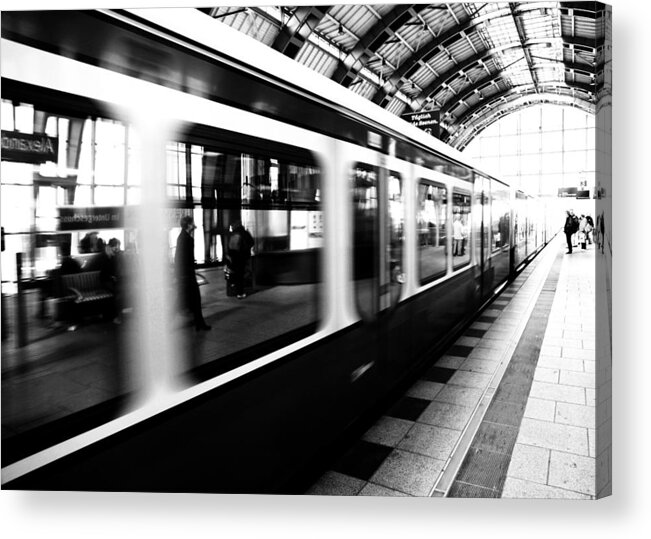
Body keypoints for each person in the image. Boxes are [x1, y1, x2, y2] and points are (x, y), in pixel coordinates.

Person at [175, 216, 211, 331]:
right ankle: (199, 324)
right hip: (187, 275)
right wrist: (187, 272)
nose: (194, 224)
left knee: (189, 300)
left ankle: (199, 324)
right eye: (192, 223)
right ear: (189, 224)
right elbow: (184, 258)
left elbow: (179, 258)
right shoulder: (187, 239)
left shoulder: (182, 237)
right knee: (192, 300)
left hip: (184, 275)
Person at [85, 237, 123, 322]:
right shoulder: (101, 257)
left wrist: (114, 276)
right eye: (115, 248)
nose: (117, 251)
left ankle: (114, 315)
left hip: (109, 280)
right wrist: (111, 277)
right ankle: (114, 316)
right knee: (116, 291)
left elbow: (114, 270)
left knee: (119, 290)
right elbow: (102, 274)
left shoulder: (112, 256)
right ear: (109, 247)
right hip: (102, 281)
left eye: (118, 249)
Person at [226, 220, 254, 299]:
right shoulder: (245, 233)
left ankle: (234, 291)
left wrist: (229, 257)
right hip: (242, 257)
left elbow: (229, 247)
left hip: (233, 257)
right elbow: (252, 242)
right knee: (241, 275)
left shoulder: (232, 234)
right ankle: (240, 293)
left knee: (235, 274)